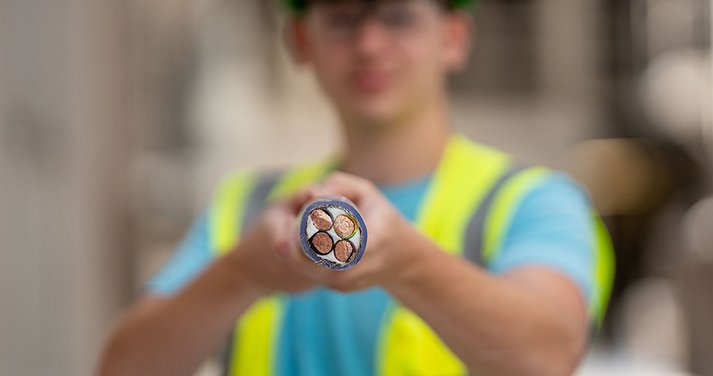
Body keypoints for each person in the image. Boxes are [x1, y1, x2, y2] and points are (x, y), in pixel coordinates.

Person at [99, 0, 614, 375]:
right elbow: (123, 368)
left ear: (454, 37)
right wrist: (245, 270)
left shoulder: (534, 202)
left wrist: (406, 261)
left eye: (398, 17)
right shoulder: (245, 208)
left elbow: (548, 356)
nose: (369, 45)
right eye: (343, 19)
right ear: (302, 41)